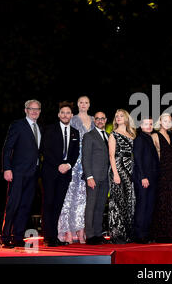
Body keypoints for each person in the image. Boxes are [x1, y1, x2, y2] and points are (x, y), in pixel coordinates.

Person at [1, 100, 42, 248]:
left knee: (25, 206)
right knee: (13, 204)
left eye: (37, 109)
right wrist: (7, 168)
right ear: (25, 110)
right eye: (31, 109)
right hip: (17, 172)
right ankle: (5, 237)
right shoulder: (18, 125)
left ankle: (18, 237)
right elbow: (7, 148)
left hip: (33, 174)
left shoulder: (39, 128)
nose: (34, 111)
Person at [41, 101, 80, 247]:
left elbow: (75, 153)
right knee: (49, 203)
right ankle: (48, 236)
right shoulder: (49, 129)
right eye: (62, 112)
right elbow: (45, 149)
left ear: (72, 115)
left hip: (65, 173)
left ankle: (54, 236)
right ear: (59, 115)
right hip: (51, 171)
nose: (65, 115)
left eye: (68, 113)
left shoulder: (75, 132)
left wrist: (68, 165)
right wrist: (59, 165)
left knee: (58, 205)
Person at [58, 96, 94, 244]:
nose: (83, 104)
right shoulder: (72, 119)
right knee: (69, 197)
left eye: (86, 102)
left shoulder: (94, 119)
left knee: (85, 199)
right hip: (74, 160)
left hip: (89, 161)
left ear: (89, 104)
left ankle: (81, 231)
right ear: (77, 105)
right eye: (81, 102)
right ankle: (67, 231)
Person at [151, 113, 172, 243]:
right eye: (164, 120)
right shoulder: (154, 136)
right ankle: (161, 234)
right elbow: (153, 157)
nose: (167, 122)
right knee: (162, 202)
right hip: (161, 173)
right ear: (160, 122)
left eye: (169, 121)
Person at [82, 112, 111, 245]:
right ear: (94, 120)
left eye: (102, 119)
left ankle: (98, 234)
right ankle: (90, 235)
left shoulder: (108, 136)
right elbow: (86, 158)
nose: (100, 121)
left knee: (100, 207)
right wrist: (89, 176)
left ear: (105, 120)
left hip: (105, 178)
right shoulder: (89, 136)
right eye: (97, 118)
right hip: (93, 177)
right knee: (91, 206)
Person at [108, 109, 137, 243]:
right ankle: (118, 234)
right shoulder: (113, 134)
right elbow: (111, 156)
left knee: (130, 200)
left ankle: (129, 233)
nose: (118, 118)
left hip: (130, 168)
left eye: (121, 116)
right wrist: (115, 173)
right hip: (118, 168)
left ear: (126, 118)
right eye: (116, 116)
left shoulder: (132, 134)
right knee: (119, 201)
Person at [132, 117, 160, 244]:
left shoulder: (149, 138)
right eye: (146, 124)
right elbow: (137, 159)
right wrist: (143, 176)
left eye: (150, 124)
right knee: (142, 206)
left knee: (149, 206)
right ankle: (139, 235)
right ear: (140, 126)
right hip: (143, 178)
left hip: (152, 178)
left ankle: (146, 233)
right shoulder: (139, 139)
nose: (149, 126)